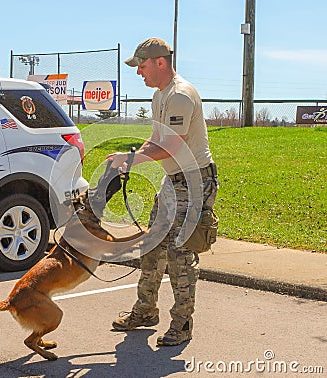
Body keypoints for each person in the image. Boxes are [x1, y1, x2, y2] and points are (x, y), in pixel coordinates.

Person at [107, 37, 218, 346]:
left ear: (160, 62)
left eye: (142, 66)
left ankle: (182, 324)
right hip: (173, 181)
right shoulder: (160, 95)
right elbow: (156, 140)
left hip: (195, 181)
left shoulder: (180, 95)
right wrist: (129, 160)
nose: (139, 73)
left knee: (180, 253)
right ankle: (145, 311)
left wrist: (129, 161)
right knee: (152, 246)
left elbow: (171, 145)